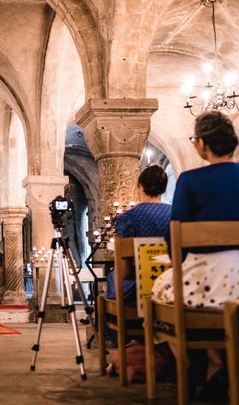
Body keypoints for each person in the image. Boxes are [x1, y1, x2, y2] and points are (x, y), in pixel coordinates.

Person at [151, 110, 239, 401]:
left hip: (205, 277)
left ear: (202, 144)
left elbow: (175, 237)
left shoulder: (189, 181)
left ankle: (207, 365)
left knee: (161, 293)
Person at [106, 165, 171, 302]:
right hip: (172, 283)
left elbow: (124, 270)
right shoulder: (176, 214)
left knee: (113, 277)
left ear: (140, 186)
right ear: (163, 189)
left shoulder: (129, 217)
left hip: (141, 286)